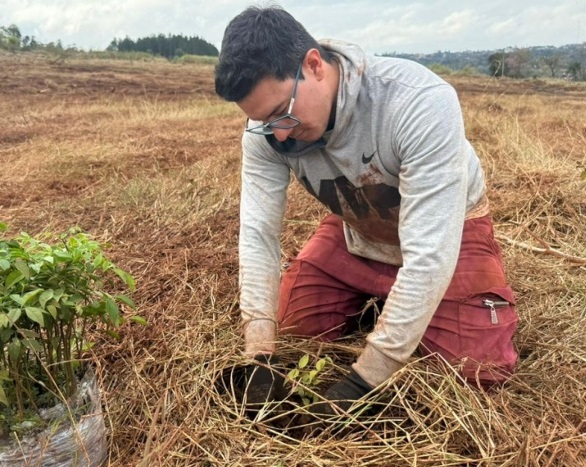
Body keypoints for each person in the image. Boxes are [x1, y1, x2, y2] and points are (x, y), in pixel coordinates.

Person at [214, 6, 519, 420]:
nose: (279, 134)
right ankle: (391, 302)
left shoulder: (417, 101)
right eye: (265, 122)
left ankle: (403, 306)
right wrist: (259, 352)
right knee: (294, 327)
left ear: (314, 65)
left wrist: (366, 379)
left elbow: (431, 254)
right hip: (358, 224)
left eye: (282, 113)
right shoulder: (267, 132)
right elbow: (258, 235)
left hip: (448, 229)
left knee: (479, 369)